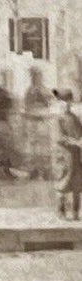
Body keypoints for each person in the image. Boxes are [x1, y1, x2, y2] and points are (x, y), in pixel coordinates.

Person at [55, 89, 82, 221]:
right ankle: (61, 211)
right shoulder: (59, 119)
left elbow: (80, 133)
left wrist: (80, 140)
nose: (64, 104)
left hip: (76, 156)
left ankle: (76, 212)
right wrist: (75, 142)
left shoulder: (75, 118)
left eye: (67, 101)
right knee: (64, 183)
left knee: (77, 183)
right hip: (64, 156)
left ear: (70, 102)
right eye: (62, 101)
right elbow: (59, 137)